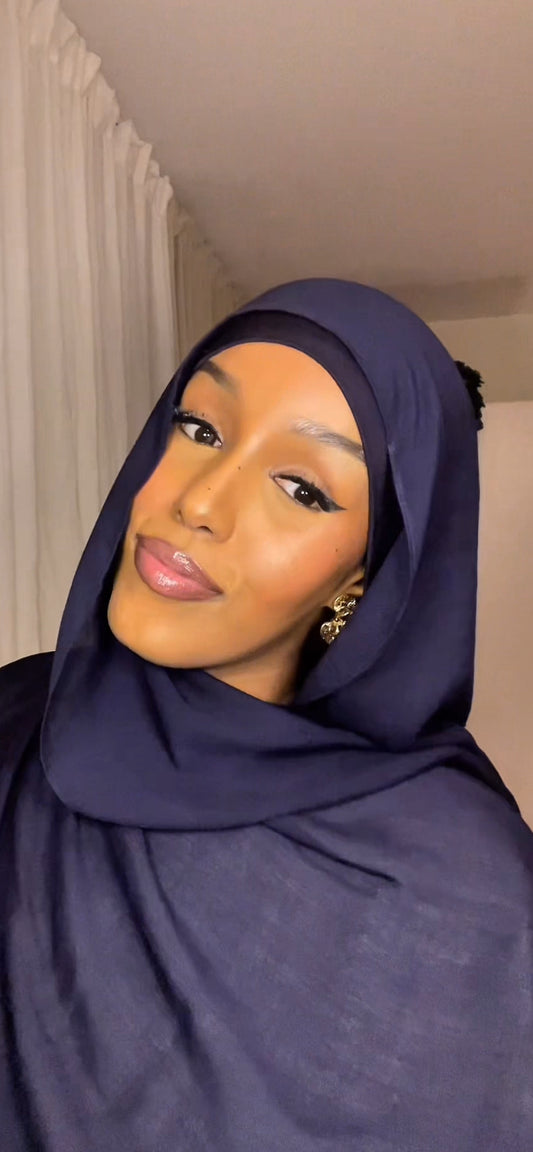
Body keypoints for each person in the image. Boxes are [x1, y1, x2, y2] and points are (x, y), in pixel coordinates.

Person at [1, 279, 532, 1151]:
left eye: (301, 489)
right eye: (200, 429)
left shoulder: (459, 885)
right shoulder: (22, 715)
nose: (198, 503)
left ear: (363, 575)